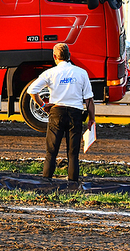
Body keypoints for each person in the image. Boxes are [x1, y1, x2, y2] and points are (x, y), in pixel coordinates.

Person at [27, 43, 95, 182]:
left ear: (55, 57)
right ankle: (73, 183)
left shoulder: (50, 73)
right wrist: (91, 119)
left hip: (56, 112)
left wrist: (43, 105)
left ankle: (46, 182)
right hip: (75, 113)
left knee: (51, 152)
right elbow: (89, 99)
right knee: (73, 154)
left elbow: (31, 90)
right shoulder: (81, 73)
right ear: (69, 56)